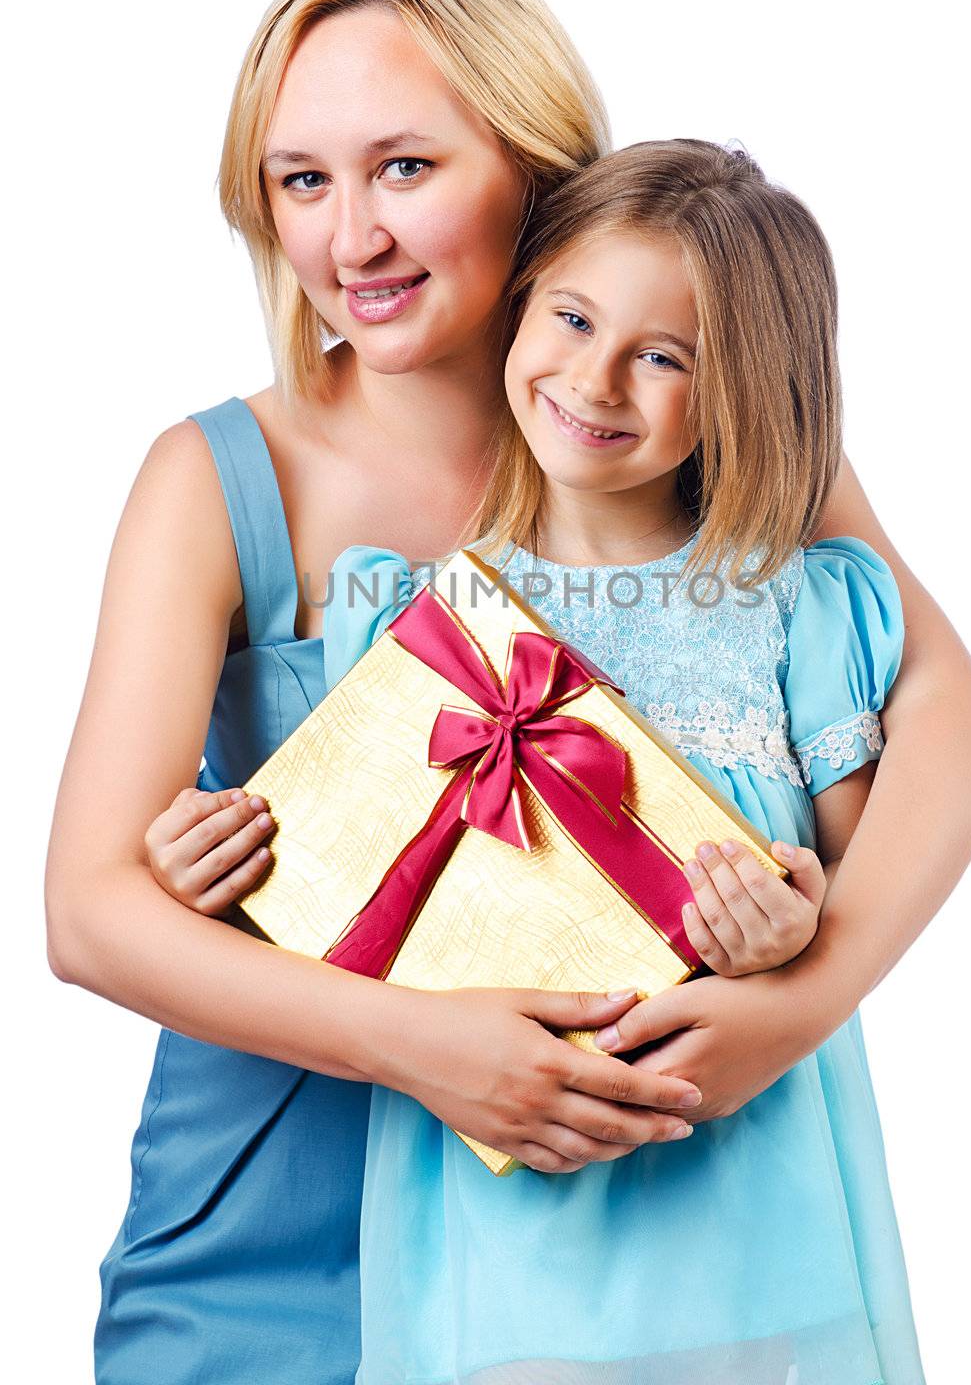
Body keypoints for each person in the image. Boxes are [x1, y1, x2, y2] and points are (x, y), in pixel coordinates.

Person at [43, 0, 971, 1382]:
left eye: (406, 168)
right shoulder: (220, 481)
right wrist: (426, 1046)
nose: (349, 239)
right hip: (277, 1224)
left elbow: (955, 725)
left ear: (538, 163)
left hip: (617, 1241)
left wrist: (789, 1007)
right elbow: (88, 915)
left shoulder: (657, 411)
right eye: (301, 180)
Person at [275, 137, 920, 1381]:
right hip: (501, 1209)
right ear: (522, 306)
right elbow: (357, 882)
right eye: (570, 317)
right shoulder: (418, 616)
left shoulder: (793, 602)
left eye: (663, 355)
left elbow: (853, 862)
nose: (595, 376)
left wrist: (793, 928)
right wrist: (193, 851)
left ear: (741, 388)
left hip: (739, 1195)